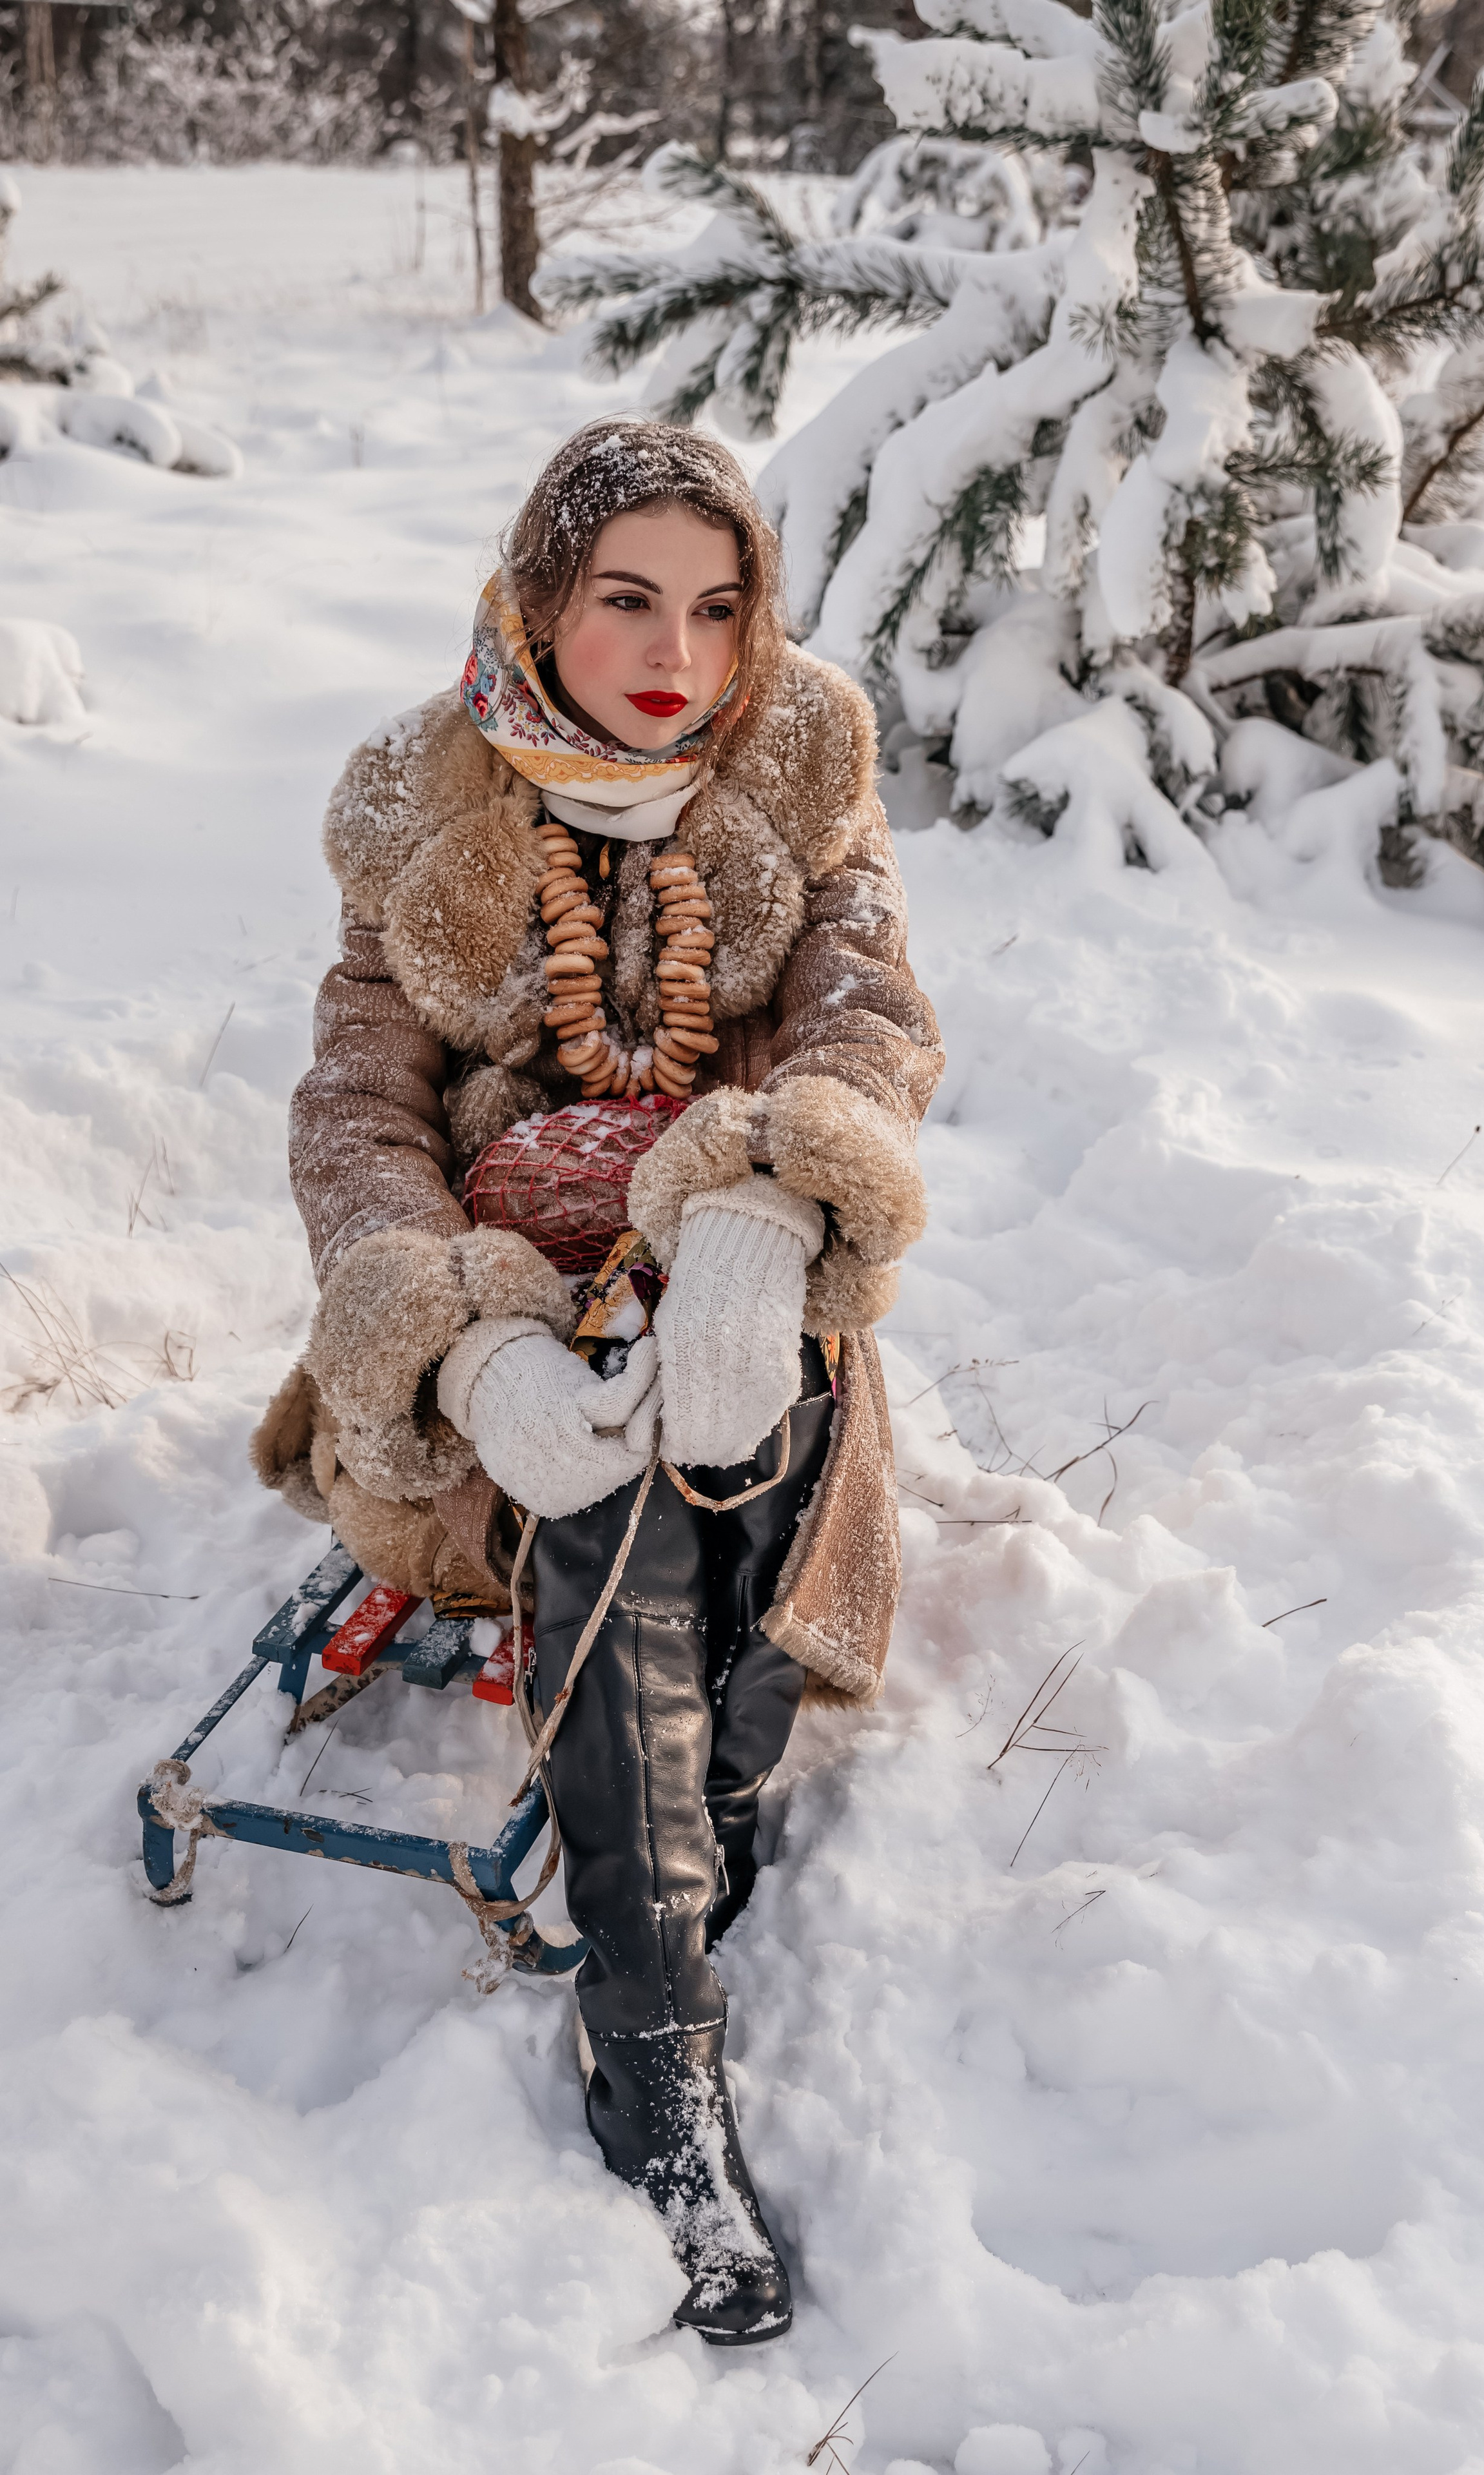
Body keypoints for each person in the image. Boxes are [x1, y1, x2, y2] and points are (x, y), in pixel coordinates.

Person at [251, 419, 943, 2344]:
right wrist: (461, 1340)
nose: (678, 653)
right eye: (628, 599)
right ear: (541, 598)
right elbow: (354, 1117)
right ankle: (658, 2040)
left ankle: (678, 1844)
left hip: (744, 1292)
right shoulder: (415, 807)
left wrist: (757, 1215)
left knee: (729, 1395)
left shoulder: (804, 772)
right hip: (503, 1328)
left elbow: (871, 1020)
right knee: (596, 1470)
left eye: (721, 609)